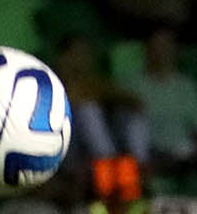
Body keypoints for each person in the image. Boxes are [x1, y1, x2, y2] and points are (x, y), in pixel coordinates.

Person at [123, 29, 197, 175]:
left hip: (184, 151)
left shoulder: (188, 87)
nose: (162, 52)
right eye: (157, 46)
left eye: (166, 46)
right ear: (147, 51)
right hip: (151, 152)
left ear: (176, 51)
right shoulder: (132, 85)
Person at [54, 35, 151, 164]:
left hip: (94, 142)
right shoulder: (52, 79)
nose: (82, 58)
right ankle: (109, 162)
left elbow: (133, 100)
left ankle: (141, 164)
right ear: (64, 57)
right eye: (77, 53)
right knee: (87, 110)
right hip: (65, 143)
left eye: (85, 53)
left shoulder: (94, 80)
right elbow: (73, 99)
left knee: (134, 116)